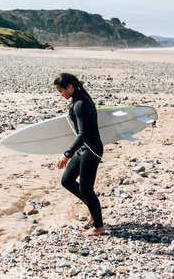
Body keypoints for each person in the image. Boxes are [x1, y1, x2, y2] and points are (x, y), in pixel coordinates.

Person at [54, 72, 105, 236]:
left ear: (69, 87)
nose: (60, 94)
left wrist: (67, 154)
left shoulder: (81, 103)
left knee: (85, 188)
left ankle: (99, 227)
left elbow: (83, 133)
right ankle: (93, 207)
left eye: (60, 91)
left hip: (91, 150)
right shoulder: (78, 98)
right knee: (67, 180)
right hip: (84, 149)